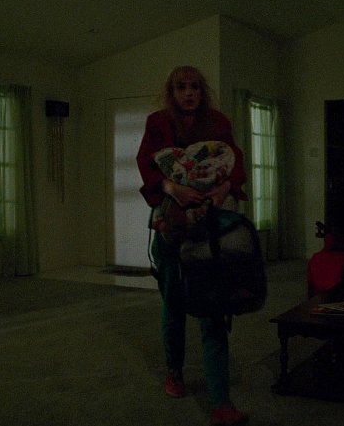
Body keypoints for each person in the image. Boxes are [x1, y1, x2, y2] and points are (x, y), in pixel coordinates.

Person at [136, 65, 249, 426]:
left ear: (203, 91)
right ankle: (175, 372)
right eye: (181, 87)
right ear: (172, 91)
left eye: (195, 87)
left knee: (212, 308)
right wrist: (173, 189)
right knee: (174, 304)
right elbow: (147, 165)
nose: (189, 93)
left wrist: (224, 189)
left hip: (210, 228)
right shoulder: (157, 122)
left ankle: (221, 403)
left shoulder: (218, 122)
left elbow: (235, 163)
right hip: (170, 226)